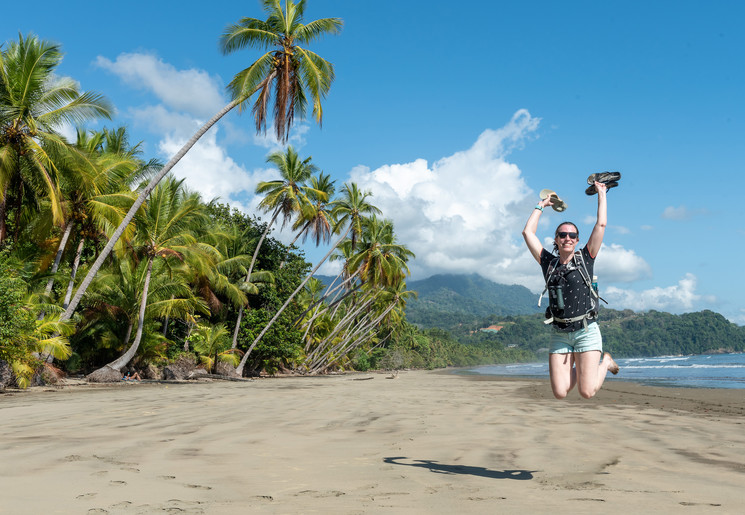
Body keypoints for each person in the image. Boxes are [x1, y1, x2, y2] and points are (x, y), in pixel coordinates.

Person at [522, 181, 619, 399]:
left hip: (586, 331)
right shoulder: (548, 263)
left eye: (572, 235)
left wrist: (601, 194)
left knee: (586, 392)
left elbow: (600, 225)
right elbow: (528, 233)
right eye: (563, 235)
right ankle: (586, 368)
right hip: (560, 334)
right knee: (560, 392)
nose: (568, 238)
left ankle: (605, 363)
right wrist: (541, 205)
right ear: (556, 240)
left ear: (577, 240)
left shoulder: (586, 258)